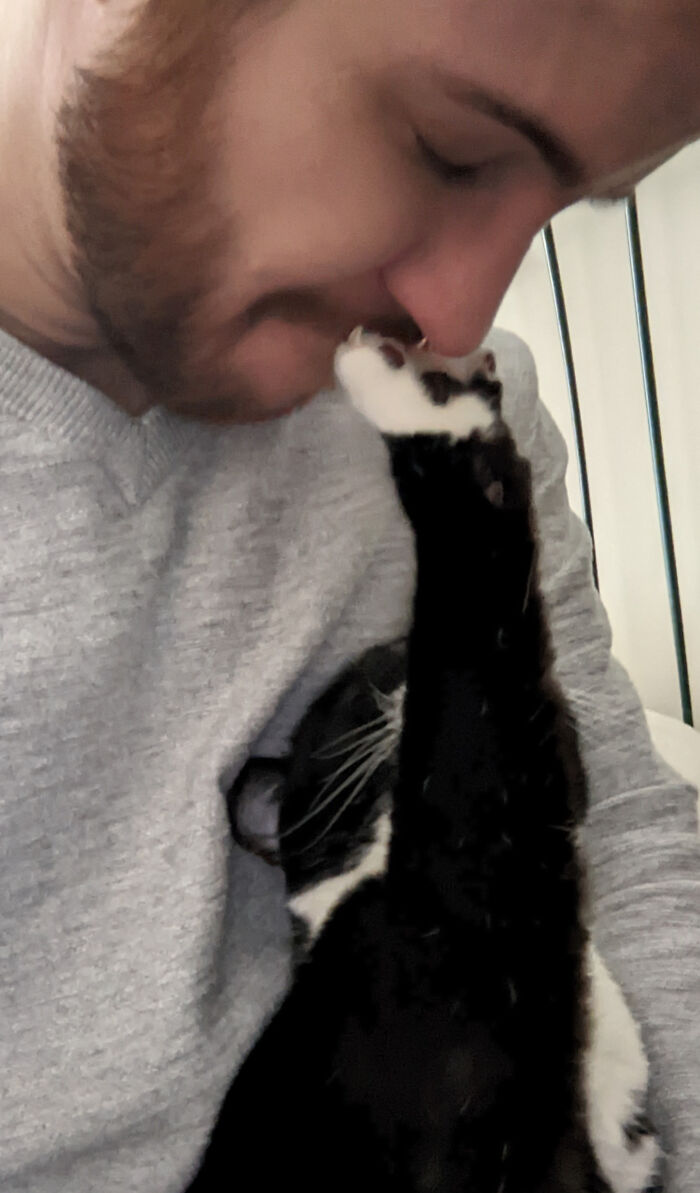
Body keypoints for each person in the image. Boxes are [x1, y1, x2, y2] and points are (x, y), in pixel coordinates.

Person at [0, 1, 698, 1190]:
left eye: (564, 209)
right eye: (451, 150)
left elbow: (619, 844)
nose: (464, 319)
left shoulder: (456, 420)